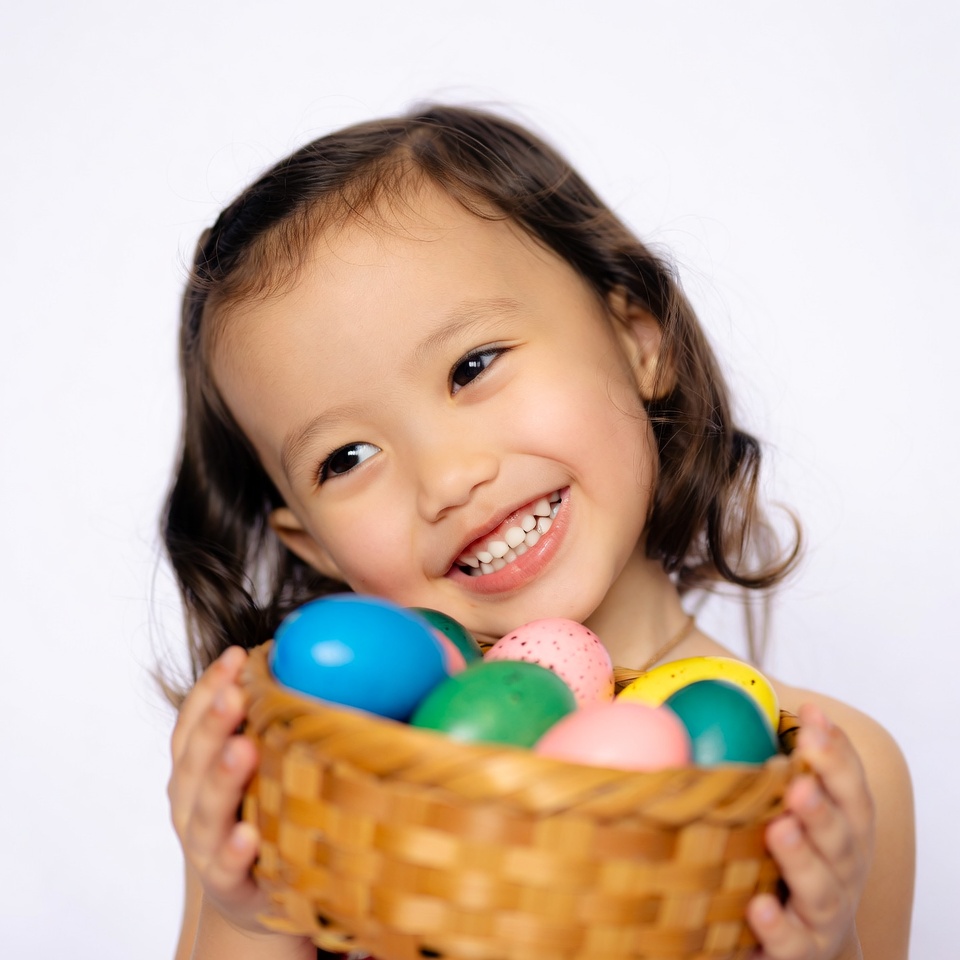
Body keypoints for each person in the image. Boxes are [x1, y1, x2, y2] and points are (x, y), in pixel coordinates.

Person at [162, 105, 914, 960]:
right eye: (348, 456)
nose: (447, 480)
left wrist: (822, 943)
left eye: (472, 366)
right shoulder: (305, 765)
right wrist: (248, 915)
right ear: (312, 545)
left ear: (639, 342)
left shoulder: (822, 781)